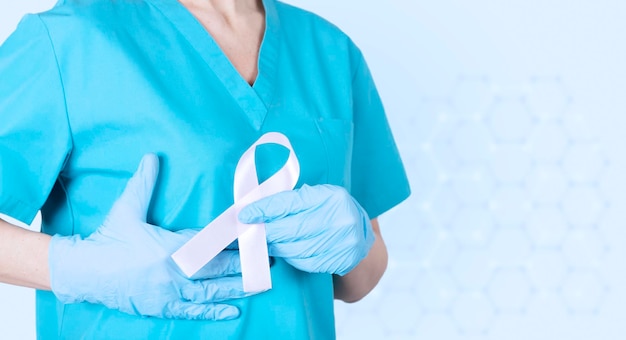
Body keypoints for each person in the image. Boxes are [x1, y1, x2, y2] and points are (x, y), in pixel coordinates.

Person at [0, 0, 410, 338]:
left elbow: (362, 276)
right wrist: (83, 269)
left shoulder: (331, 52)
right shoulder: (70, 39)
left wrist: (354, 245)